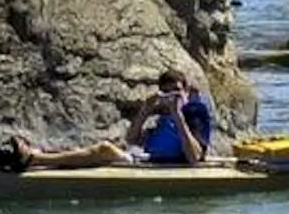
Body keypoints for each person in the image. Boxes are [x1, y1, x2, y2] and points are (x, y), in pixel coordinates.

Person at [14, 69, 212, 169]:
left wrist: (178, 116)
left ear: (186, 90)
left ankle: (34, 158)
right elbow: (132, 140)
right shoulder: (163, 114)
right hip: (148, 160)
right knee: (98, 148)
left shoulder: (194, 111)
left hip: (168, 165)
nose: (172, 97)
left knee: (104, 149)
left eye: (177, 91)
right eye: (167, 93)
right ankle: (38, 154)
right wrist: (145, 109)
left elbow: (195, 158)